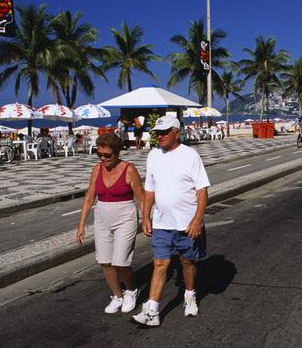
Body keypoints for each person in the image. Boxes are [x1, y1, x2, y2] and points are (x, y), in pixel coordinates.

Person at [133, 116, 210, 327]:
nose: (160, 136)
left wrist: (197, 220)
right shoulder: (153, 155)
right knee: (160, 264)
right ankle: (152, 311)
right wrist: (145, 216)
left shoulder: (190, 155)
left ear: (177, 132)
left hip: (187, 224)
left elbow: (202, 191)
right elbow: (149, 188)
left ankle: (189, 294)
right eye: (158, 133)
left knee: (187, 262)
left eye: (165, 132)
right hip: (161, 223)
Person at [75, 133, 145, 315]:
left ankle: (130, 290)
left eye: (107, 155)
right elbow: (90, 197)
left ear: (117, 153)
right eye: (100, 155)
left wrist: (146, 220)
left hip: (125, 216)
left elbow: (142, 198)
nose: (103, 159)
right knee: (105, 261)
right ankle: (117, 295)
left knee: (121, 261)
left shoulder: (129, 169)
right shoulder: (97, 169)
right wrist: (81, 225)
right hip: (102, 217)